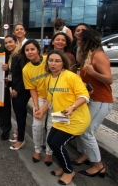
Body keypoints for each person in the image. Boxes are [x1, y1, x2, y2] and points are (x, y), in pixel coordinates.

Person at [38, 50, 90, 185]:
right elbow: (50, 99)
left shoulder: (71, 77)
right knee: (51, 141)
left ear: (63, 63)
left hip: (76, 118)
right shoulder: (49, 78)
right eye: (51, 60)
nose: (53, 63)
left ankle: (69, 171)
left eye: (57, 61)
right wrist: (42, 110)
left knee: (57, 143)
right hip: (61, 116)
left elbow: (84, 96)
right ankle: (63, 165)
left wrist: (73, 107)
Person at [73, 29, 113, 178]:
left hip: (101, 100)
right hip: (91, 99)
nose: (77, 42)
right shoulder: (88, 55)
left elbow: (109, 79)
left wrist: (91, 72)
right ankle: (85, 155)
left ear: (86, 40)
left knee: (86, 131)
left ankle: (98, 165)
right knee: (81, 127)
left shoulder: (99, 55)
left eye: (79, 39)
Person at [20, 40, 53, 165]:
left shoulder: (48, 60)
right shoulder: (26, 69)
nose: (30, 52)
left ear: (38, 50)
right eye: (27, 50)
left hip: (56, 98)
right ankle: (37, 150)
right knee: (37, 125)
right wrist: (36, 105)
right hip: (40, 97)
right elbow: (32, 88)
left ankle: (49, 153)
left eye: (32, 49)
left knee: (51, 126)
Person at [3, 35, 31, 150]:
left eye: (10, 42)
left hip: (22, 90)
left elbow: (26, 76)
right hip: (16, 88)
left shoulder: (20, 56)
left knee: (20, 115)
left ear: (16, 42)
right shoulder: (12, 56)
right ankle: (20, 134)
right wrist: (8, 81)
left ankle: (21, 139)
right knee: (19, 114)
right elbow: (15, 75)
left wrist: (16, 89)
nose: (8, 45)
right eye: (6, 43)